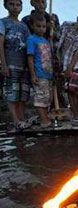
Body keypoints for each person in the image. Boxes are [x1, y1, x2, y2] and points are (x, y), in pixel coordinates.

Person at [0, 0, 31, 129]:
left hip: (23, 65)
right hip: (10, 63)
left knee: (23, 93)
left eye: (18, 5)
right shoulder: (3, 22)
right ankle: (15, 120)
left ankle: (22, 118)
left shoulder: (24, 26)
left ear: (21, 7)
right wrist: (3, 64)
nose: (15, 7)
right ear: (6, 6)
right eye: (12, 4)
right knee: (12, 93)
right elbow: (0, 45)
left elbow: (28, 45)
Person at [27, 12, 53, 127]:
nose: (42, 29)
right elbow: (30, 59)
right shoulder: (31, 40)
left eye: (43, 26)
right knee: (40, 98)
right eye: (38, 26)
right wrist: (33, 74)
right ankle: (44, 120)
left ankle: (45, 118)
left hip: (48, 75)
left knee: (47, 98)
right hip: (39, 74)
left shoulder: (46, 41)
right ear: (32, 26)